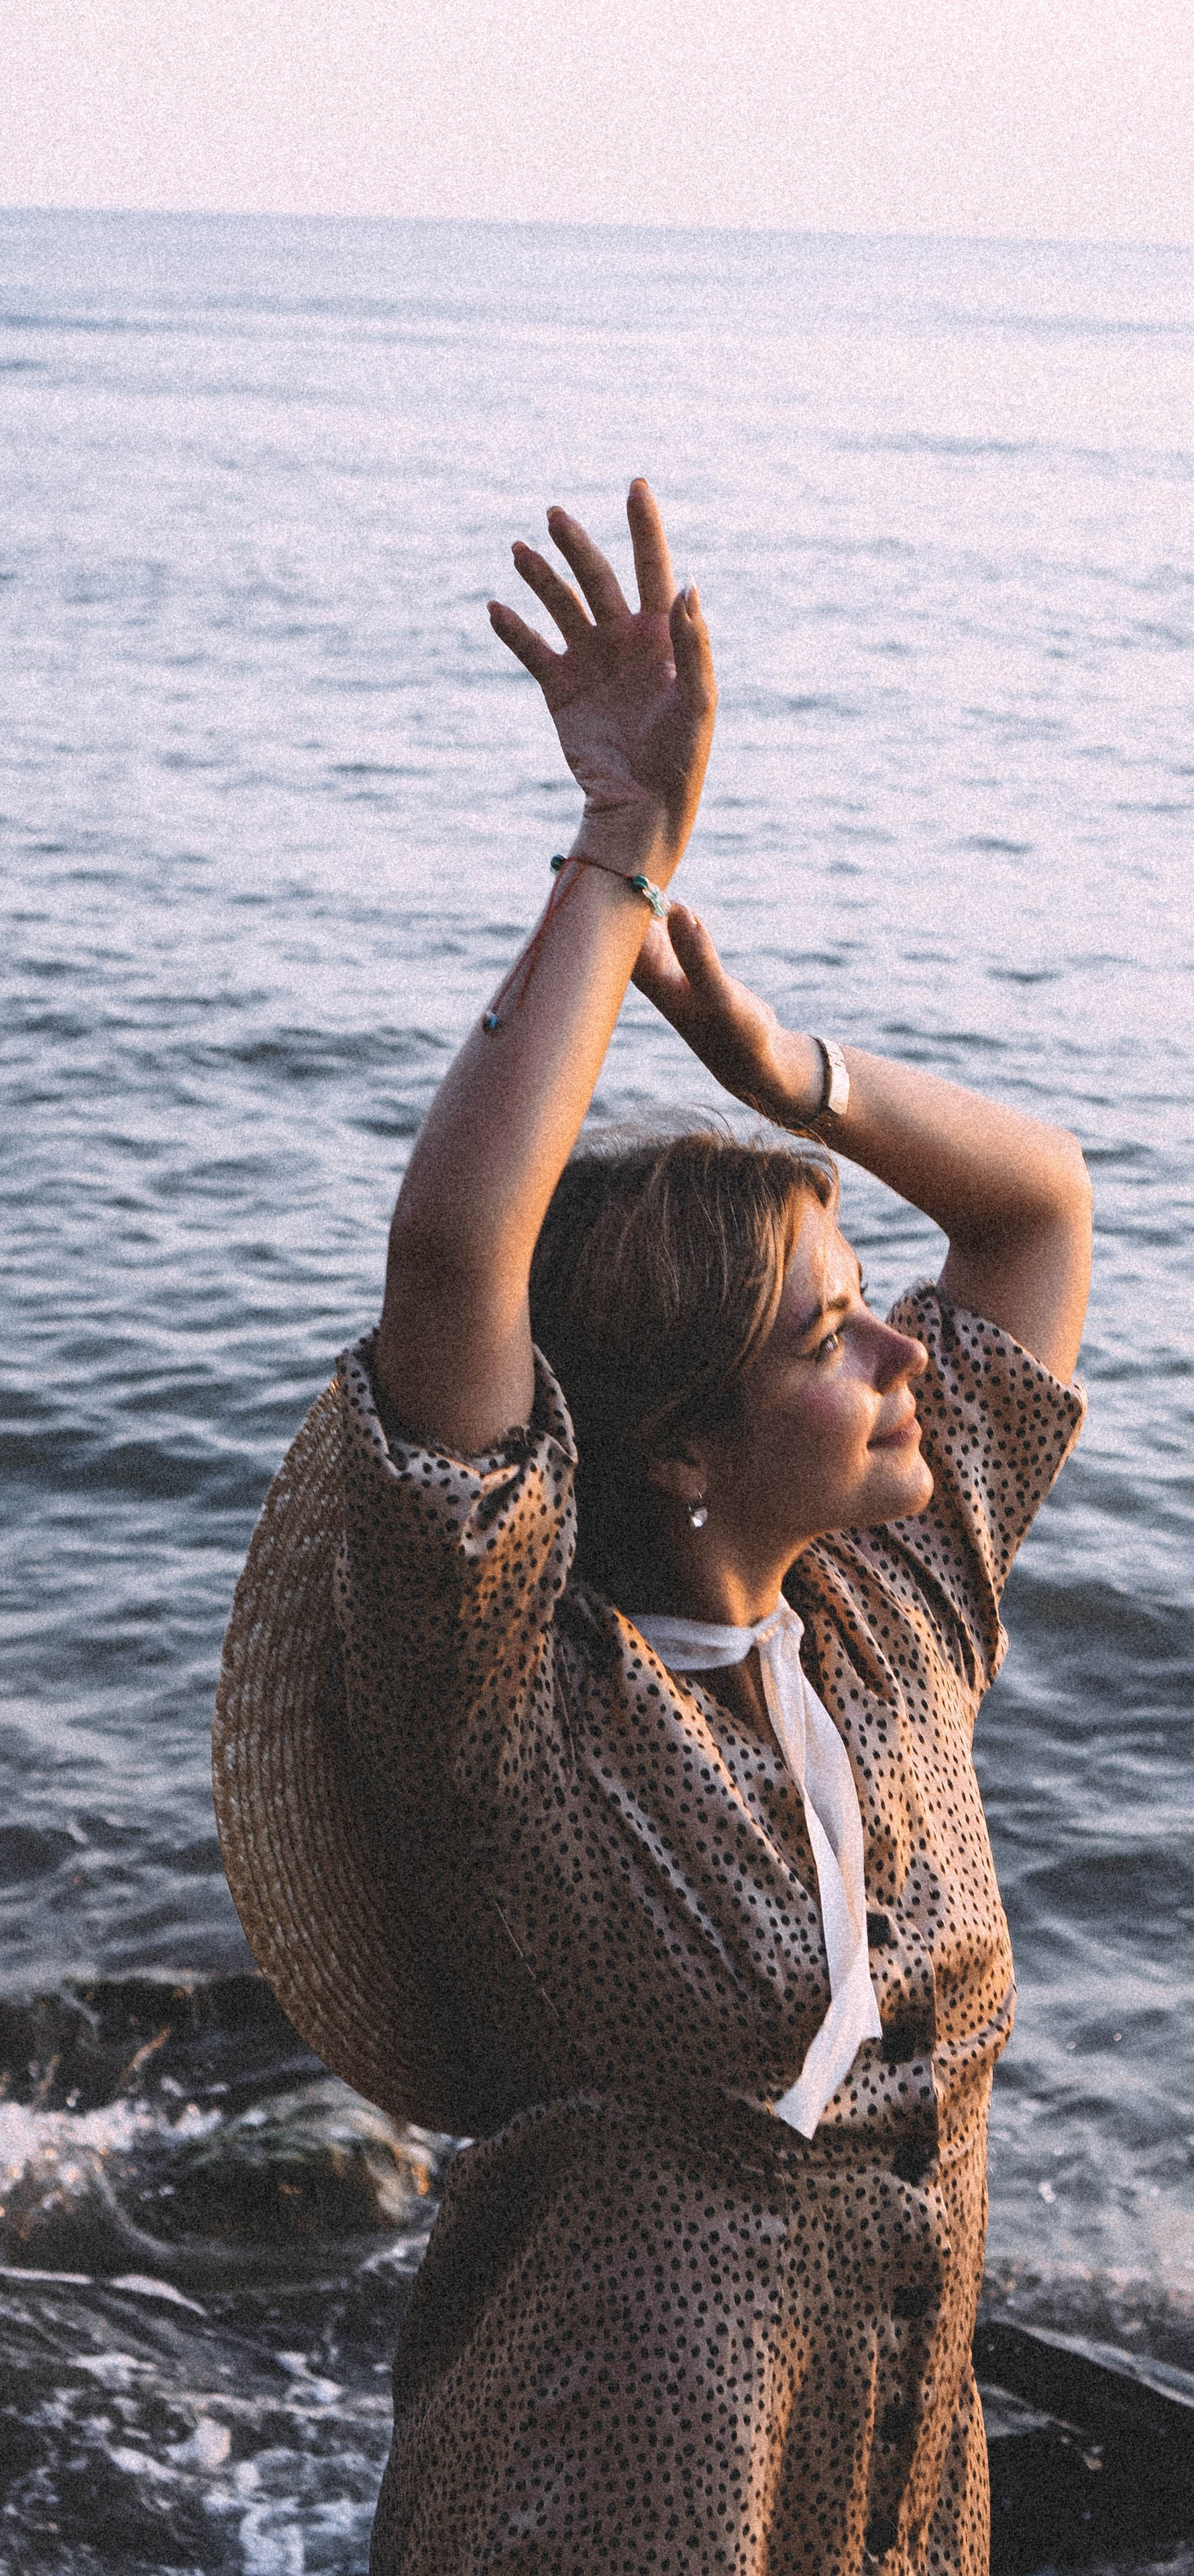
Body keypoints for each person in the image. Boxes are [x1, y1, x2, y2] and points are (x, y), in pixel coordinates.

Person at [213, 480, 1091, 2575]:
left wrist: (786, 1071)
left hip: (888, 2493)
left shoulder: (893, 1606)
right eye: (831, 1328)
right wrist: (620, 859)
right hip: (594, 2490)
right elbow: (452, 1258)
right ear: (686, 1443)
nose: (902, 1346)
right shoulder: (513, 1693)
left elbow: (1034, 1208)